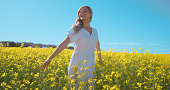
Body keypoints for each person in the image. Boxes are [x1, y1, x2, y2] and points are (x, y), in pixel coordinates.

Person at [41, 5, 103, 89]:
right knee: (76, 86)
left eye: (84, 11)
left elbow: (97, 44)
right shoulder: (76, 29)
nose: (82, 13)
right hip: (77, 62)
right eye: (80, 12)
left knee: (89, 86)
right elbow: (64, 44)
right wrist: (49, 59)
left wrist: (99, 59)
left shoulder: (95, 31)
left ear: (91, 14)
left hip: (90, 63)